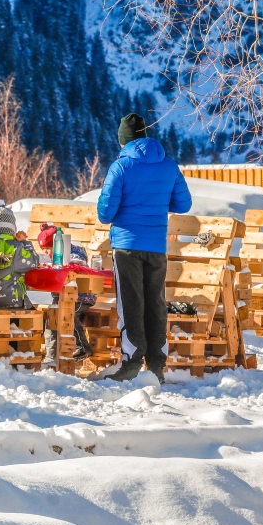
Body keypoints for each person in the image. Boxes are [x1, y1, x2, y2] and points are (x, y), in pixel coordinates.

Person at [97, 113, 192, 382]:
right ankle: (157, 366)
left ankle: (131, 363)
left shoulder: (121, 167)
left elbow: (105, 213)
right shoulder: (169, 165)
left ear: (123, 140)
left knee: (131, 304)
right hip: (156, 246)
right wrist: (156, 204)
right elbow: (183, 205)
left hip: (127, 245)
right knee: (156, 303)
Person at [37, 223, 94, 366]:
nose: (46, 254)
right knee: (53, 316)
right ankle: (51, 357)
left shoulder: (74, 251)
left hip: (81, 297)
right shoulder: (52, 259)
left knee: (66, 313)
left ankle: (83, 347)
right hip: (61, 299)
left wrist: (64, 264)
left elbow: (78, 263)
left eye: (47, 250)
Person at [0, 202, 37, 309]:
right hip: (11, 302)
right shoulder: (15, 248)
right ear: (12, 228)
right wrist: (25, 243)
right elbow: (33, 262)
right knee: (35, 314)